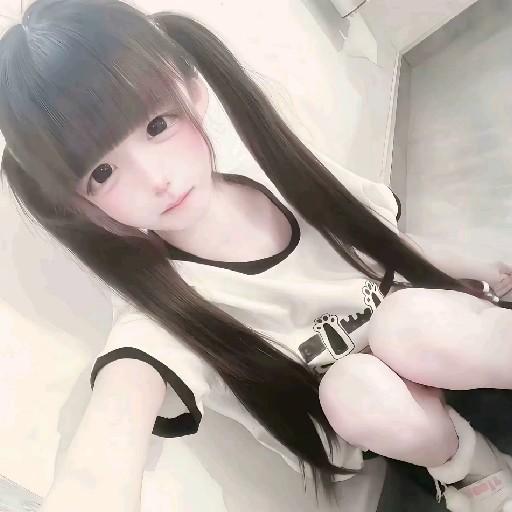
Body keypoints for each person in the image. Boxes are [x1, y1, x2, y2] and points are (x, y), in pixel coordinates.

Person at [0, 1, 511, 510]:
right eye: (103, 173)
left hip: (453, 346)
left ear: (192, 88)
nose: (155, 180)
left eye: (156, 126)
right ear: (82, 205)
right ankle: (478, 474)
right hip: (408, 433)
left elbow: (384, 243)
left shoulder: (283, 175)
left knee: (408, 320)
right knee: (353, 387)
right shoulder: (165, 310)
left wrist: (481, 269)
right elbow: (112, 426)